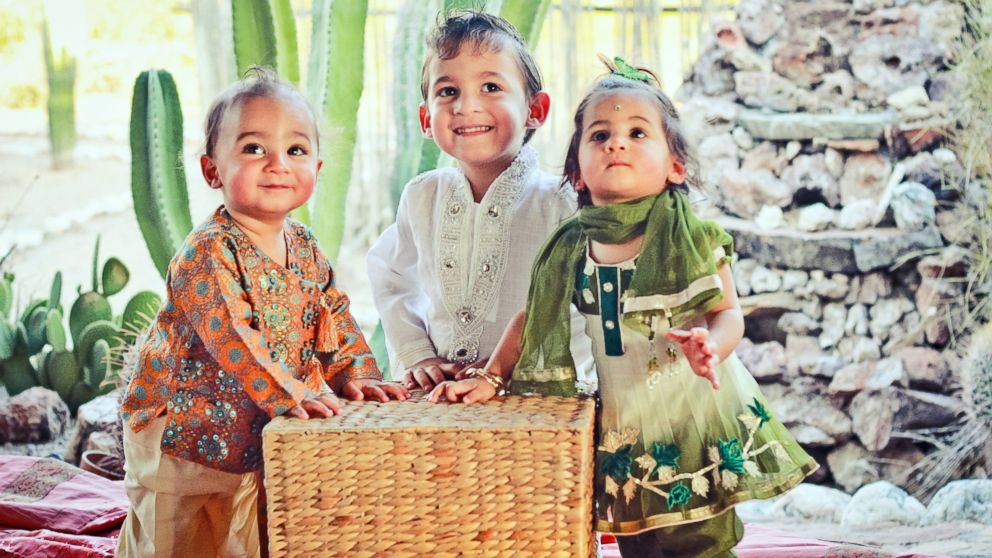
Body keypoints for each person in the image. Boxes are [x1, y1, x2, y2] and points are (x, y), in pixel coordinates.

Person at [430, 57, 818, 558]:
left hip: (692, 412)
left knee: (702, 536)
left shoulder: (690, 239)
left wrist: (711, 347)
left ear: (675, 165)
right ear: (576, 172)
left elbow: (728, 314)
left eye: (638, 133)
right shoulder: (570, 245)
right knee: (637, 535)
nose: (617, 143)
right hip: (624, 419)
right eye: (600, 135)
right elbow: (532, 317)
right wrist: (491, 377)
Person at [117, 68, 408, 558]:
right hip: (184, 433)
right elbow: (230, 333)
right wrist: (285, 391)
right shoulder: (208, 251)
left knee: (244, 531)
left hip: (255, 429)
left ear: (318, 166)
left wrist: (354, 370)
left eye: (295, 150)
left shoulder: (305, 245)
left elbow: (332, 313)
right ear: (213, 171)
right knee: (178, 536)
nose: (277, 163)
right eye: (254, 149)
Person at [367, 10, 591, 391]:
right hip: (444, 401)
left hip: (539, 401)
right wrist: (416, 353)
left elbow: (585, 309)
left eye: (490, 87)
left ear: (534, 111)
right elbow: (390, 277)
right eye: (447, 91)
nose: (465, 106)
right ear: (426, 119)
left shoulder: (563, 203)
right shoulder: (422, 197)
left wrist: (510, 366)